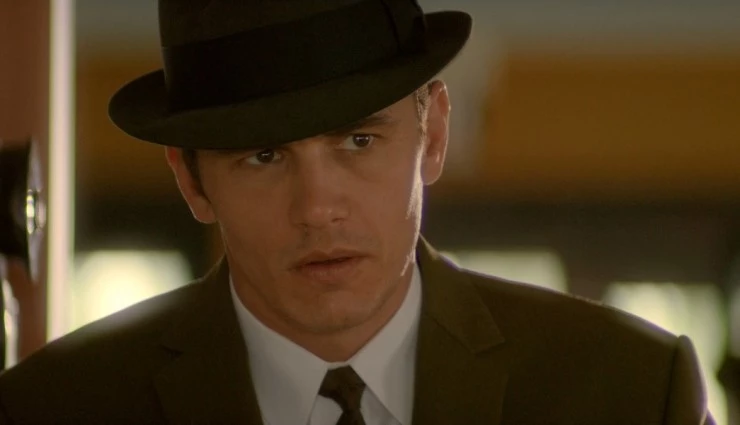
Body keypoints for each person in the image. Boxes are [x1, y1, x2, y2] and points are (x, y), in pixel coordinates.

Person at [0, 1, 715, 424]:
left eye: (359, 141)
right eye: (263, 156)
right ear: (191, 180)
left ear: (433, 135)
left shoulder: (628, 393)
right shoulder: (55, 409)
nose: (317, 209)